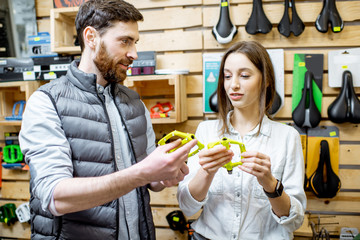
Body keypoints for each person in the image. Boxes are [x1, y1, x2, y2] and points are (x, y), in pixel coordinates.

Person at [19, 1, 197, 239]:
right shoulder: (46, 103)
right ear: (91, 37)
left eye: (135, 43)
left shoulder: (135, 104)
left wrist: (165, 175)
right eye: (125, 41)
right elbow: (55, 197)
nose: (133, 53)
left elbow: (149, 179)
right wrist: (143, 173)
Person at [177, 41, 306, 240]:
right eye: (227, 76)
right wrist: (207, 171)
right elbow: (187, 207)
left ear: (266, 80)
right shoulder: (206, 130)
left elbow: (294, 221)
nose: (233, 84)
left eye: (244, 75)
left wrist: (270, 184)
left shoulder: (288, 137)